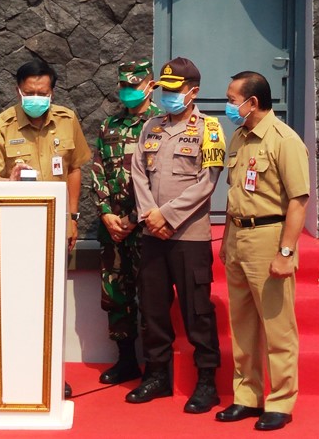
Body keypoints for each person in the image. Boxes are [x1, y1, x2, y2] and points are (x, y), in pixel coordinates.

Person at [0, 59, 92, 398]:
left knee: (53, 302)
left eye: (42, 92)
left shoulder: (67, 120)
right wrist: (7, 181)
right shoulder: (3, 124)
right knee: (18, 304)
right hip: (16, 235)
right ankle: (19, 371)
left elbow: (74, 169)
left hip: (56, 229)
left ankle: (52, 372)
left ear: (52, 91)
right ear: (18, 90)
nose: (36, 97)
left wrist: (72, 219)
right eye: (29, 92)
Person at [129, 57, 224, 413]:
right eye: (163, 90)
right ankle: (156, 375)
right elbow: (138, 172)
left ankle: (206, 381)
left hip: (190, 236)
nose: (166, 96)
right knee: (152, 308)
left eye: (174, 91)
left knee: (197, 310)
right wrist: (148, 215)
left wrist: (166, 216)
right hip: (152, 233)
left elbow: (207, 181)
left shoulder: (210, 129)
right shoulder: (151, 126)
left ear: (192, 92)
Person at [215, 71, 309, 431]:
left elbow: (299, 201)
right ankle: (247, 396)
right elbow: (236, 192)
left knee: (277, 326)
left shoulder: (284, 140)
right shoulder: (239, 137)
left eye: (231, 98)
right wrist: (226, 240)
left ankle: (281, 401)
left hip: (270, 236)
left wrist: (286, 253)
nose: (228, 105)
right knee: (242, 326)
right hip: (239, 237)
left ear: (251, 102)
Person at [90, 59, 160, 385]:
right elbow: (98, 172)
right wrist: (105, 212)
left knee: (151, 297)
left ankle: (157, 368)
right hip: (113, 230)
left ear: (150, 85)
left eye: (135, 85)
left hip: (147, 228)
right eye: (124, 85)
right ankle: (127, 361)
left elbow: (162, 180)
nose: (128, 91)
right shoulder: (109, 125)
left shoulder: (162, 123)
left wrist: (132, 218)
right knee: (116, 295)